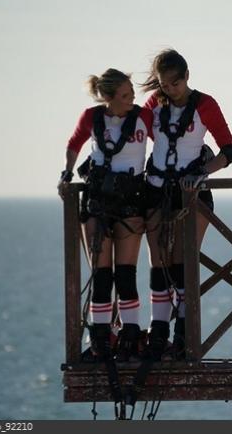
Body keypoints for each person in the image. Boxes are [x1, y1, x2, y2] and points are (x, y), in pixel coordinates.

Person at [140, 49, 232, 360]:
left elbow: (229, 149)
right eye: (163, 85)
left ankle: (183, 336)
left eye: (175, 83)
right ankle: (158, 334)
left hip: (192, 196)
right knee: (159, 263)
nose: (170, 90)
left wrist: (202, 172)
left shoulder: (204, 104)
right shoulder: (153, 104)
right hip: (156, 192)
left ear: (186, 77)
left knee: (184, 264)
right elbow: (132, 134)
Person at [57, 69, 153, 362]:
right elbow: (74, 143)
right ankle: (101, 338)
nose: (132, 99)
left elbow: (164, 142)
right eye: (125, 95)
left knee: (125, 274)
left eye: (132, 93)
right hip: (97, 202)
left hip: (131, 201)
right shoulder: (92, 117)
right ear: (108, 98)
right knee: (101, 276)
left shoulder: (143, 117)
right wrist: (67, 173)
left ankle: (130, 336)